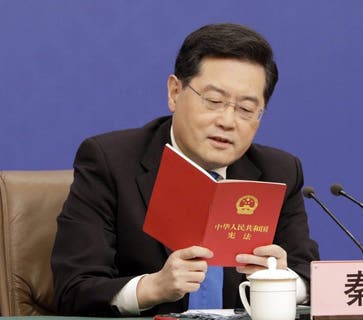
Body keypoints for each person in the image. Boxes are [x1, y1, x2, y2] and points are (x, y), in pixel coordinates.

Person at [50, 23, 320, 316]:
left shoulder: (279, 172)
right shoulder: (110, 162)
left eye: (245, 109)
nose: (228, 121)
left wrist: (281, 281)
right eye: (214, 101)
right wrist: (152, 287)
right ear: (175, 92)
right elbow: (74, 289)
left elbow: (309, 277)